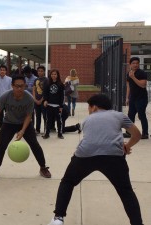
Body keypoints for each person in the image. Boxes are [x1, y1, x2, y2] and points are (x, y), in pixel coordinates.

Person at [48, 94, 144, 225]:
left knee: (68, 182)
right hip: (113, 156)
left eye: (89, 107)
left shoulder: (88, 120)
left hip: (85, 155)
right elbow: (137, 135)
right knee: (126, 191)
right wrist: (127, 146)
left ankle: (58, 218)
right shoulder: (119, 115)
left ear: (94, 107)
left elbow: (85, 132)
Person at [0, 75, 51, 179]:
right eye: (17, 86)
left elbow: (28, 116)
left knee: (35, 145)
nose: (19, 89)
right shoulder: (5, 96)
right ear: (12, 86)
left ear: (25, 86)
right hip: (8, 123)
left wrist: (22, 130)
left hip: (24, 123)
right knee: (1, 146)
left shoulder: (29, 98)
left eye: (22, 86)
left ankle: (43, 168)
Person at [123, 57, 149, 139]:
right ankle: (129, 133)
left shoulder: (142, 73)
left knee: (141, 115)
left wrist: (133, 77)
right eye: (133, 63)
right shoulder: (129, 73)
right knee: (130, 116)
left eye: (137, 63)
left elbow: (143, 85)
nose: (135, 65)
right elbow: (128, 87)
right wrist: (127, 98)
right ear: (130, 64)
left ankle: (145, 134)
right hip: (132, 98)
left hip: (141, 98)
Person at [43, 69, 65, 139]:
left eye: (55, 74)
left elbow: (62, 96)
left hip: (57, 106)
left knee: (59, 120)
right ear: (50, 75)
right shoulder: (47, 83)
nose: (53, 75)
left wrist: (61, 106)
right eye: (52, 74)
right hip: (49, 105)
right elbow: (45, 93)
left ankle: (60, 133)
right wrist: (45, 100)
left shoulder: (61, 84)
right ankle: (47, 133)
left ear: (57, 75)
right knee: (48, 120)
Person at [0, 64, 12, 135]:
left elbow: (11, 90)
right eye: (1, 70)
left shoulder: (9, 79)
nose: (2, 71)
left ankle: (9, 130)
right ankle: (2, 130)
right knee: (0, 116)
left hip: (7, 100)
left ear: (6, 71)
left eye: (4, 70)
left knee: (8, 116)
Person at [32, 65, 48, 134]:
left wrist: (41, 100)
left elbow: (46, 91)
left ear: (44, 72)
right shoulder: (36, 80)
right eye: (39, 71)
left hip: (43, 101)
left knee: (45, 116)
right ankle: (37, 130)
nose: (40, 72)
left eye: (41, 71)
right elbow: (34, 89)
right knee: (37, 116)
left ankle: (46, 130)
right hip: (36, 101)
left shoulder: (46, 80)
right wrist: (35, 99)